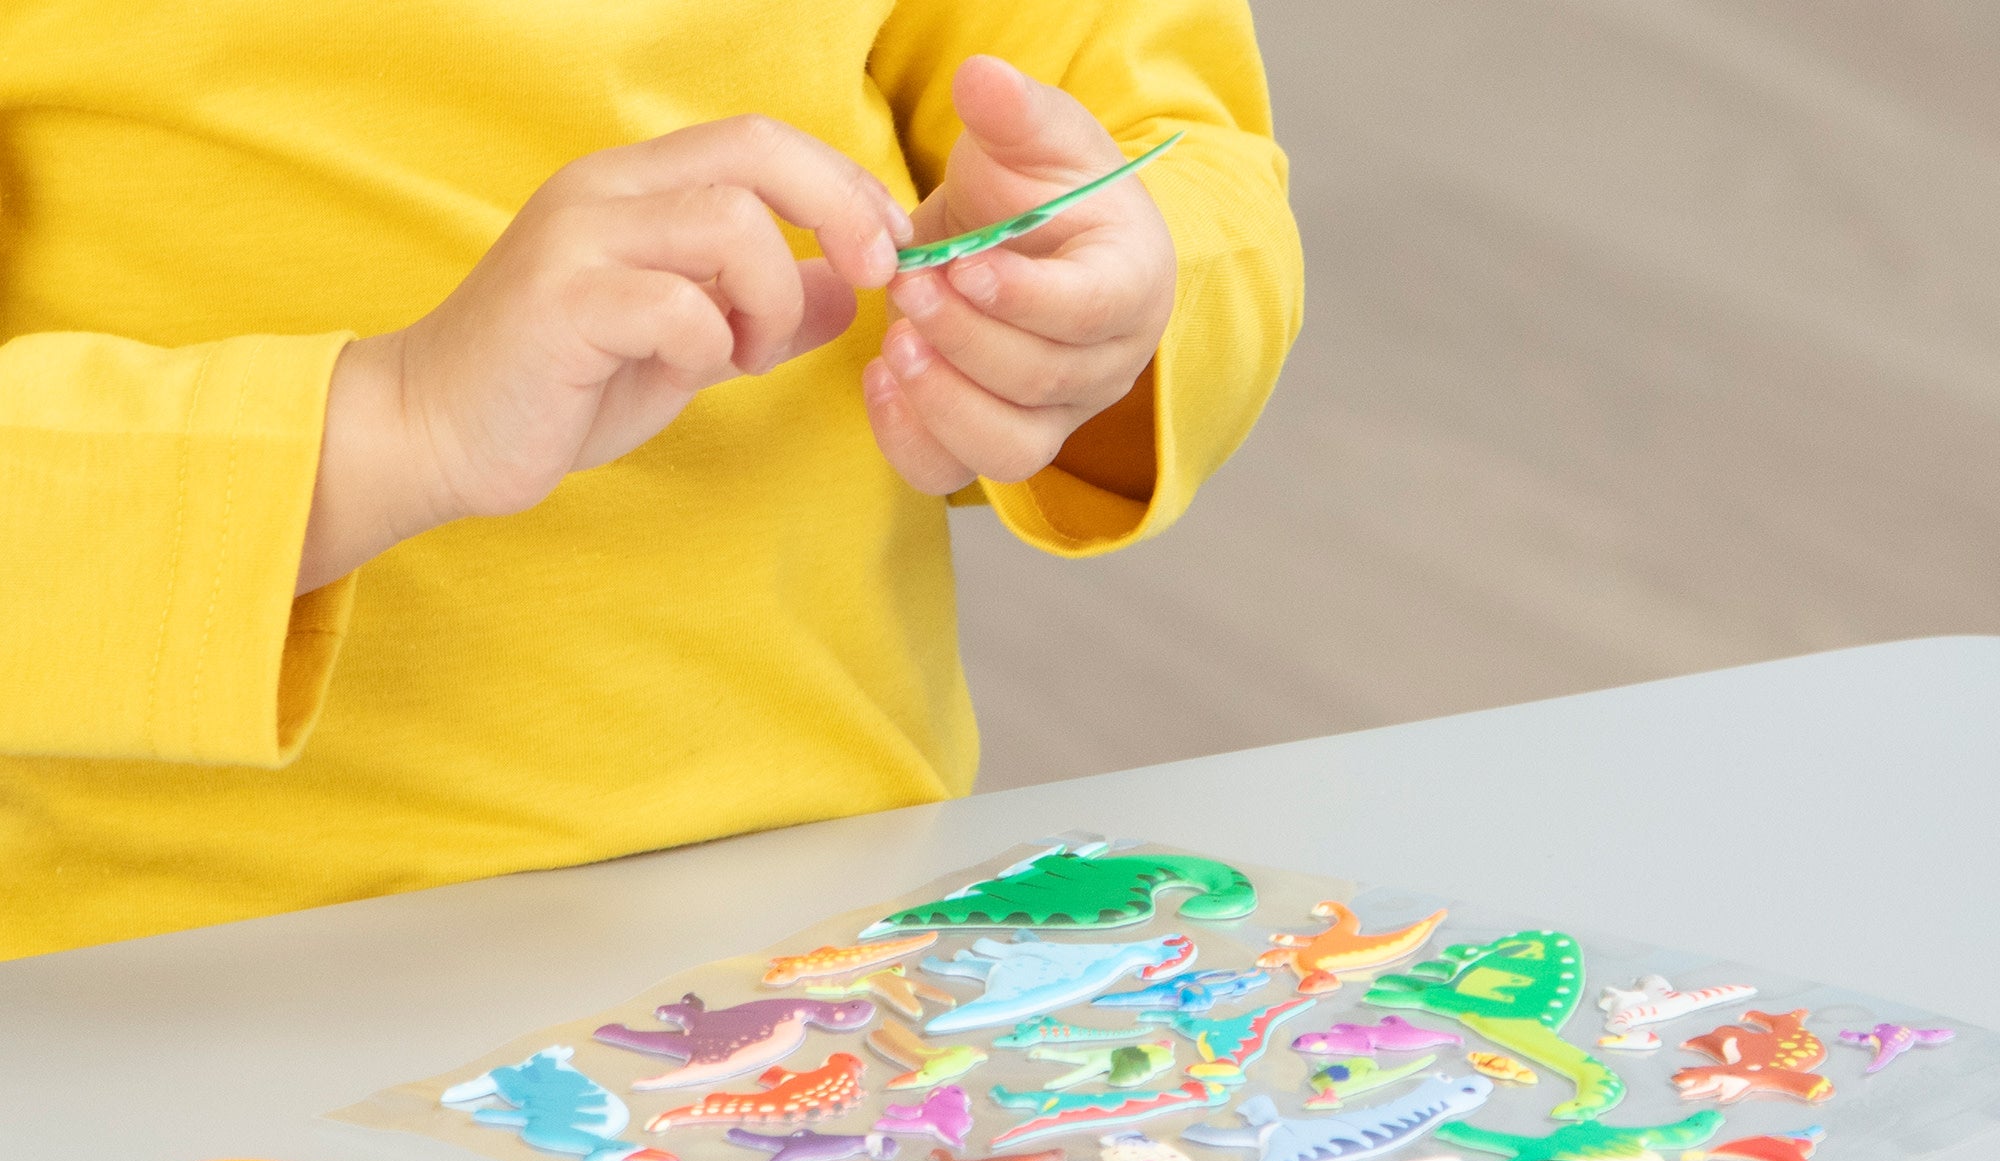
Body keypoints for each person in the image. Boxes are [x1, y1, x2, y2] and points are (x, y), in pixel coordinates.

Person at [0, 5, 1301, 961]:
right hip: (158, 976)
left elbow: (1174, 153)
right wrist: (392, 424)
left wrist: (1091, 306)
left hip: (833, 934)